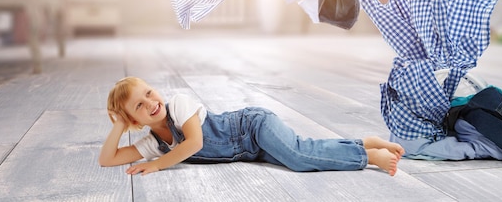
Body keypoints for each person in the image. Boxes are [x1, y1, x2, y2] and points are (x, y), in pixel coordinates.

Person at [99, 76, 405, 176]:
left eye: (149, 93)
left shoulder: (178, 104)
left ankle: (368, 158)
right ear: (135, 120)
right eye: (139, 106)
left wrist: (156, 166)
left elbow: (194, 143)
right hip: (250, 151)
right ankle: (364, 143)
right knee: (307, 150)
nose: (151, 103)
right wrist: (119, 125)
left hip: (252, 127)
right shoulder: (154, 143)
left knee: (298, 158)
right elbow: (108, 159)